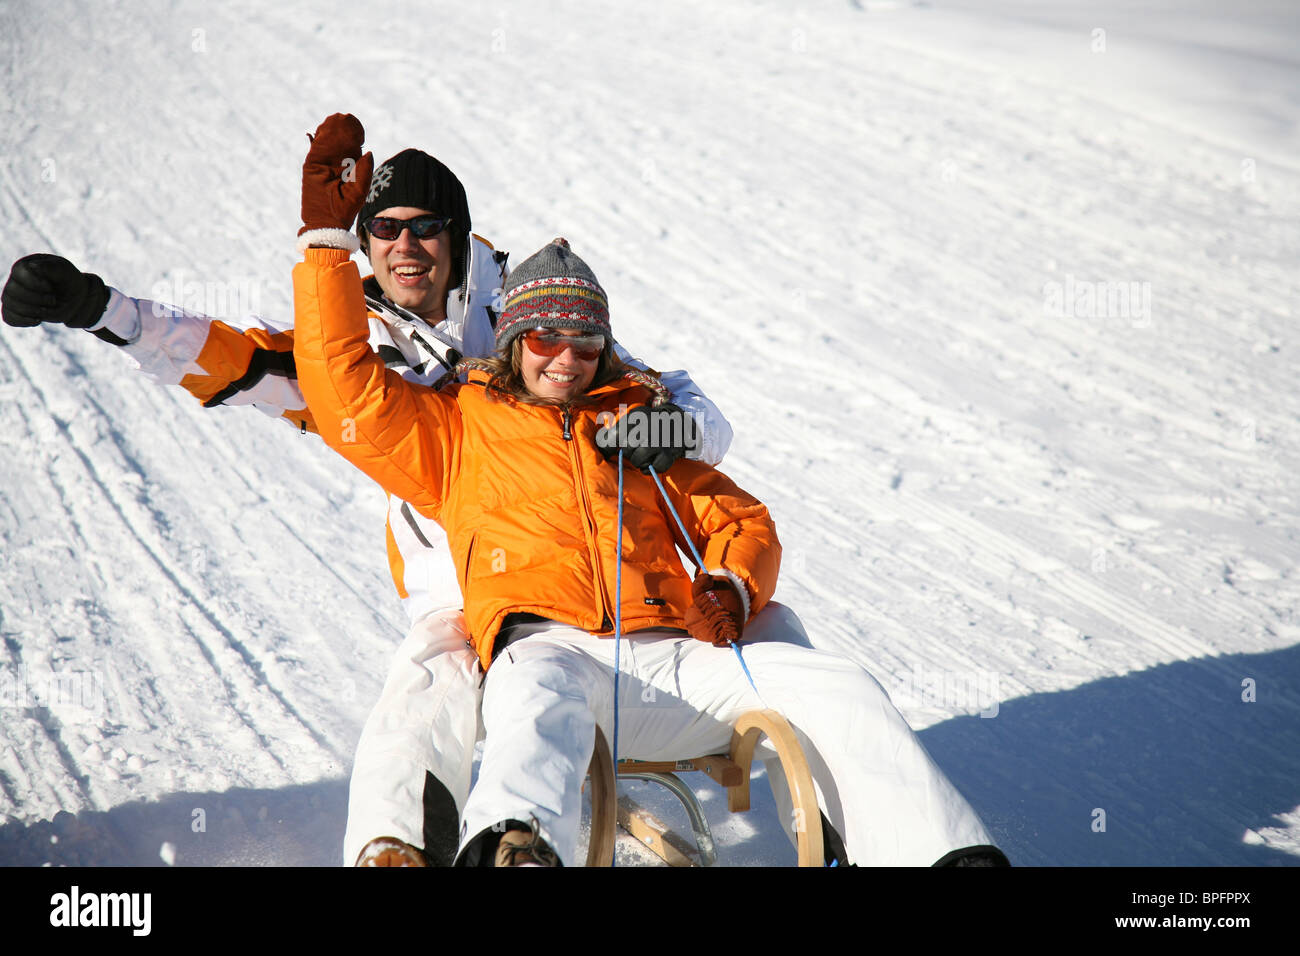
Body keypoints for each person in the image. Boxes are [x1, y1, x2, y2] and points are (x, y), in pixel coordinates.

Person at [0, 114, 734, 866]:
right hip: (457, 589)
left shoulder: (527, 309)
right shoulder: (346, 342)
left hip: (573, 579)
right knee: (424, 687)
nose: (404, 247)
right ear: (362, 237)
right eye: (382, 228)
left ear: (458, 235)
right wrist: (99, 308)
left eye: (425, 228)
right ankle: (394, 851)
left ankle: (534, 811)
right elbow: (230, 358)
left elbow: (661, 393)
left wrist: (675, 432)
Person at [293, 215, 1009, 864]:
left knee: (837, 684)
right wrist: (327, 246)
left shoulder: (640, 422)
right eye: (546, 338)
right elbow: (343, 392)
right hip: (553, 648)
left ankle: (938, 856)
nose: (566, 359)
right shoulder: (459, 429)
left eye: (586, 341)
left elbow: (740, 520)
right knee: (533, 703)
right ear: (514, 341)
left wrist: (730, 584)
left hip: (678, 658)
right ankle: (517, 847)